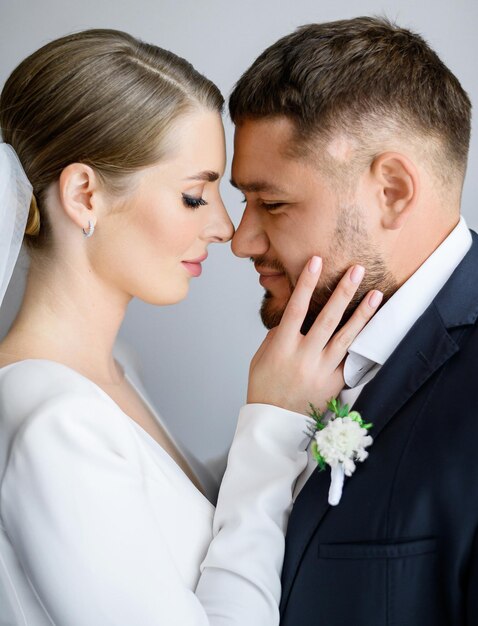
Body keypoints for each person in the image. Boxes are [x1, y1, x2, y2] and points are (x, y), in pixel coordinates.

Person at [0, 29, 381, 625]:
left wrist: (297, 409)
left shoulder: (112, 368)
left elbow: (180, 528)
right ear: (83, 195)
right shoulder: (57, 426)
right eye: (194, 196)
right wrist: (271, 425)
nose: (227, 229)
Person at [229, 16, 477, 626]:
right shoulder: (309, 365)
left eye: (273, 203)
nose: (240, 241)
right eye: (244, 202)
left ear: (392, 190)